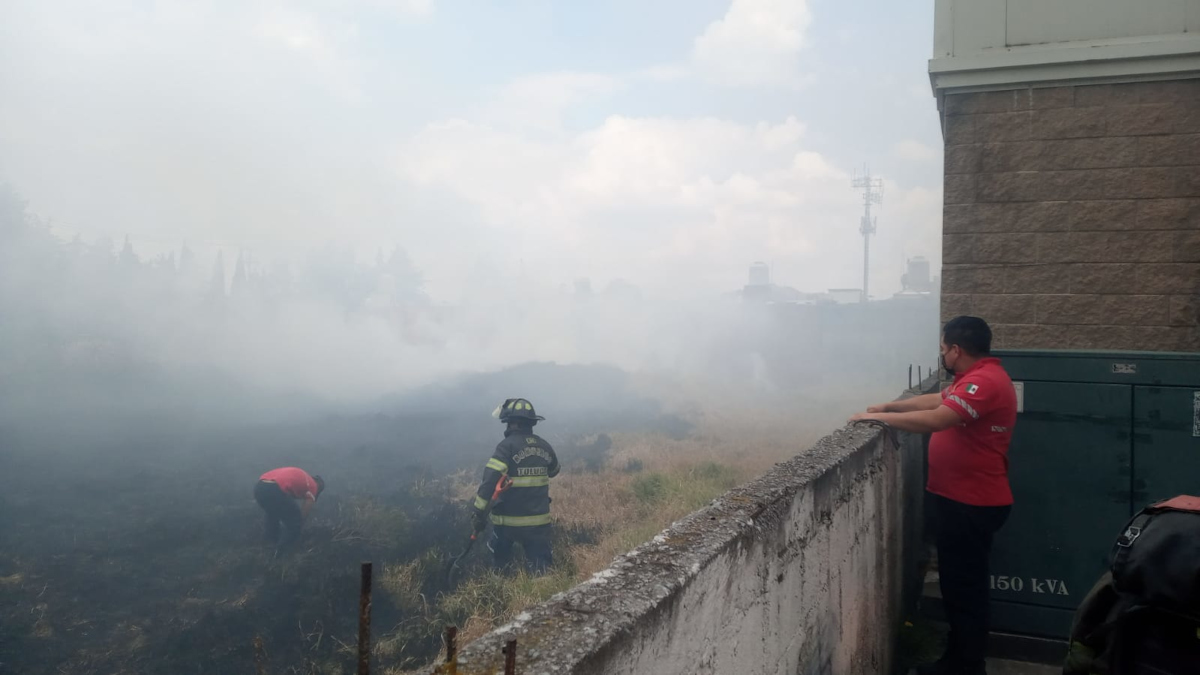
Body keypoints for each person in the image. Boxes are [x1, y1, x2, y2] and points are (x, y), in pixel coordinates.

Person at [851, 316, 1016, 675]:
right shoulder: (974, 379)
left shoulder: (984, 382)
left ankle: (965, 666)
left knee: (964, 590)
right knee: (959, 586)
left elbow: (938, 418)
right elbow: (936, 399)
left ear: (956, 350)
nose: (942, 356)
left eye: (943, 350)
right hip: (964, 499)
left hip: (971, 502)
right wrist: (888, 407)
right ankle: (959, 660)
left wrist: (880, 421)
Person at [472, 398, 560, 574]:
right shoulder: (544, 446)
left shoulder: (506, 447)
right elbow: (554, 470)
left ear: (512, 424)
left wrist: (478, 512)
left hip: (508, 524)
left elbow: (489, 480)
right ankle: (545, 596)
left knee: (501, 566)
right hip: (538, 523)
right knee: (541, 569)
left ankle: (502, 591)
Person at [254, 466, 325, 556]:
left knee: (273, 514)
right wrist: (297, 528)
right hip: (274, 489)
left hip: (260, 487)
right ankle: (281, 553)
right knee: (295, 520)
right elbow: (304, 512)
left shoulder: (303, 477)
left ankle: (268, 545)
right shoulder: (314, 486)